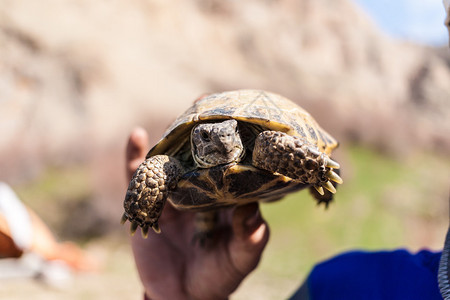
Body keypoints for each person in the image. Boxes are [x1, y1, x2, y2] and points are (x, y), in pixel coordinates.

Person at [0, 182, 98, 286]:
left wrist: (24, 242)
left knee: (52, 254)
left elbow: (21, 230)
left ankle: (84, 263)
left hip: (28, 241)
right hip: (22, 241)